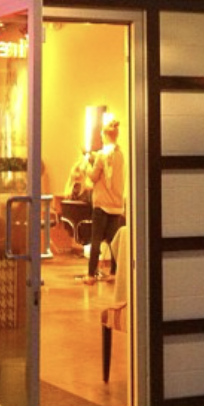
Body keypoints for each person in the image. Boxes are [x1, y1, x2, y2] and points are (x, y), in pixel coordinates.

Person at [82, 118, 126, 285]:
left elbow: (94, 177)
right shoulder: (120, 155)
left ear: (105, 135)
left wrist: (87, 164)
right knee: (113, 241)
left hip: (102, 205)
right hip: (116, 205)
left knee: (96, 240)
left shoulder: (101, 155)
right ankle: (115, 272)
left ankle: (91, 275)